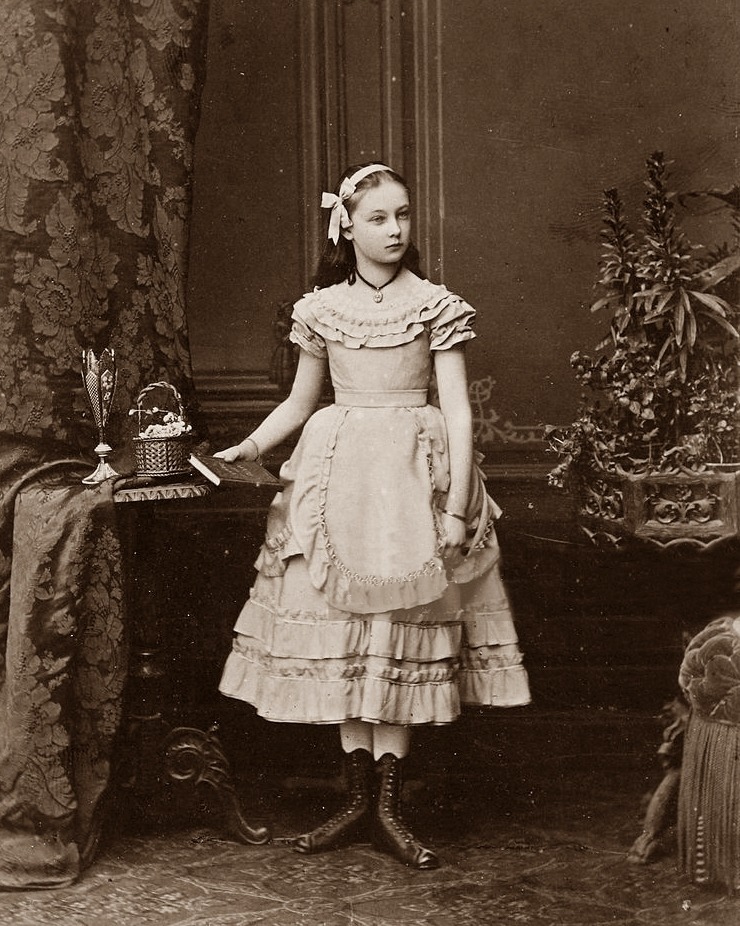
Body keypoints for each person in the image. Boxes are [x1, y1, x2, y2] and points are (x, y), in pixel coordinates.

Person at [216, 162, 530, 870]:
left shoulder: (435, 305)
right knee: (346, 631)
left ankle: (389, 805)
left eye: (403, 215)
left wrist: (456, 509)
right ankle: (357, 799)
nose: (395, 230)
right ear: (347, 228)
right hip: (339, 476)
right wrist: (250, 446)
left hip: (411, 479)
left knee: (398, 630)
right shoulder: (321, 310)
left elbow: (457, 410)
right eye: (379, 218)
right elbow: (301, 402)